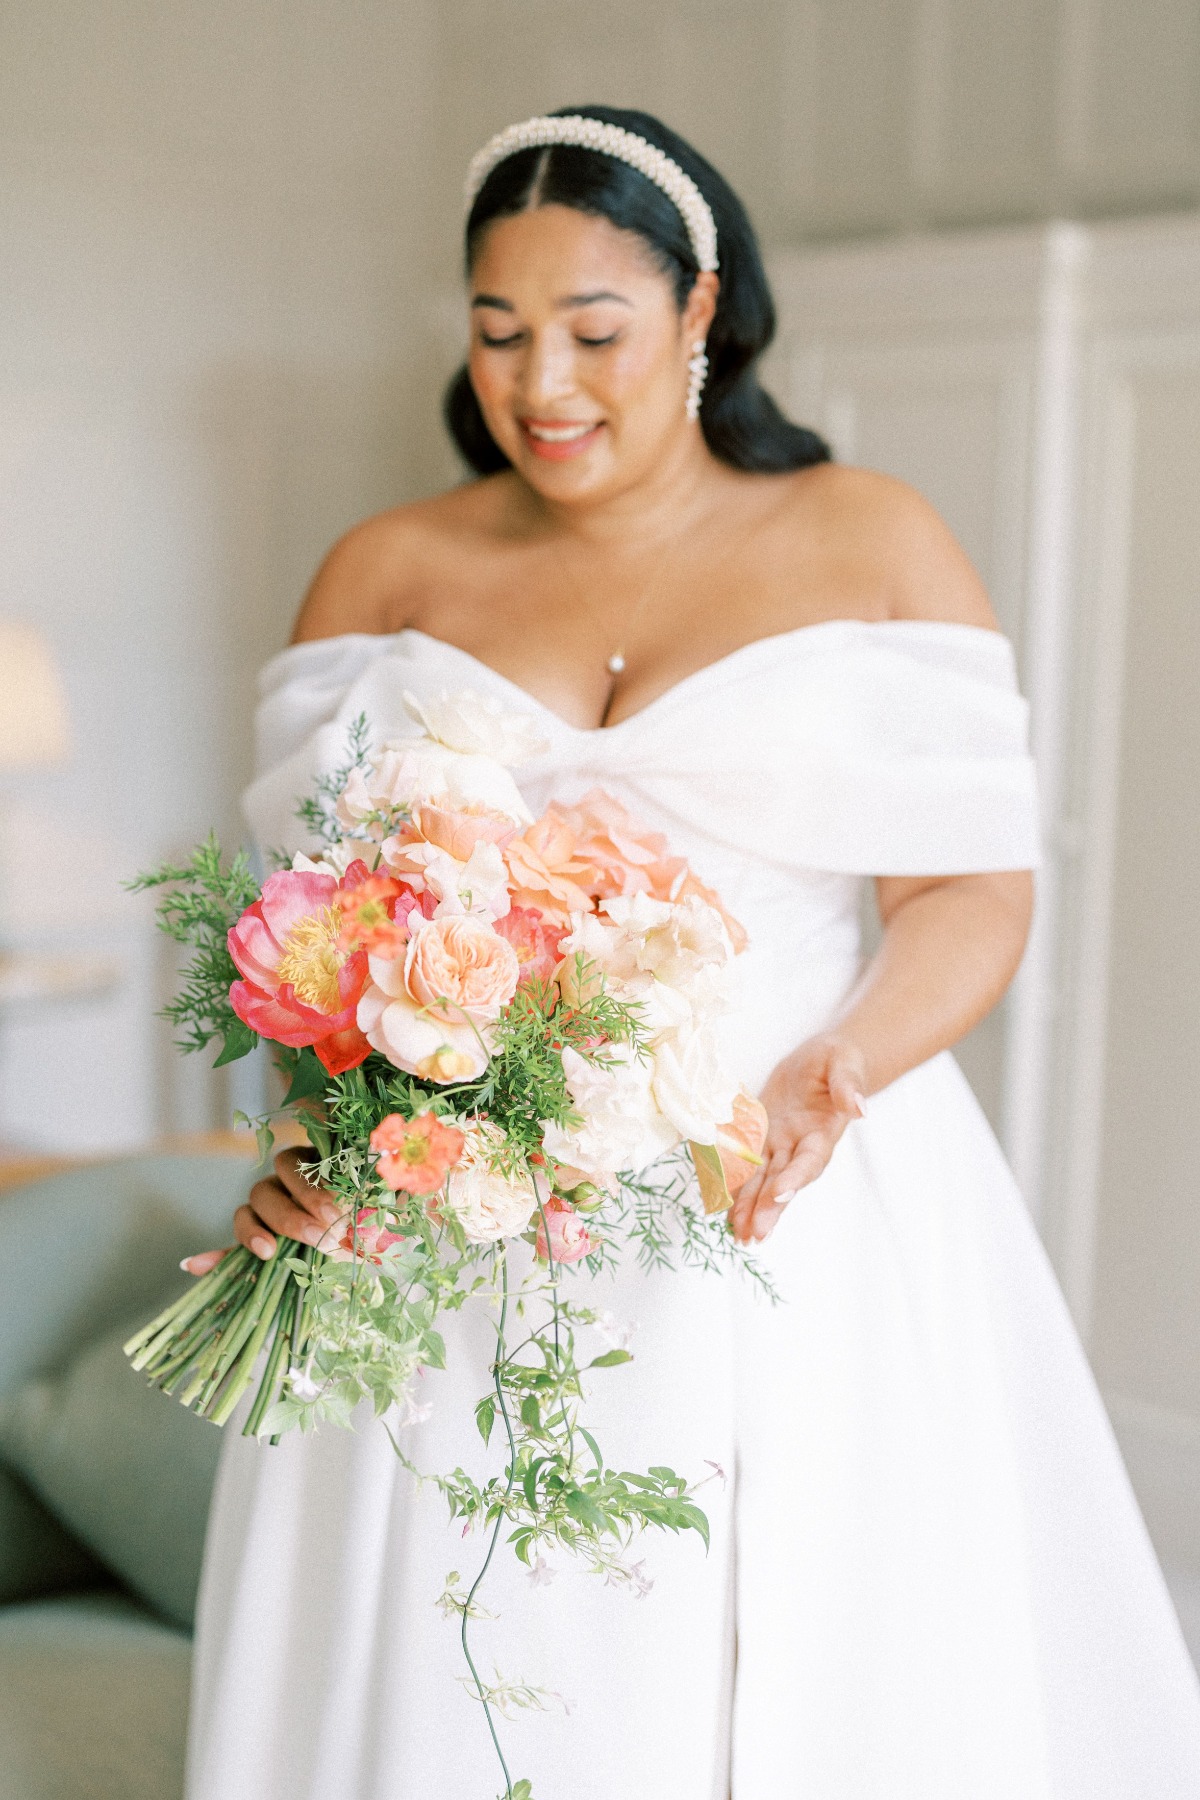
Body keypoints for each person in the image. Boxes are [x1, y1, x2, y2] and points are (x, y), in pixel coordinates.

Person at [184, 107, 1200, 1799]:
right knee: (459, 1654)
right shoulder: (384, 571)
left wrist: (843, 1064)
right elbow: (313, 942)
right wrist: (313, 1131)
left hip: (786, 1181)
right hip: (453, 1214)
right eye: (499, 335)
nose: (543, 386)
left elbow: (968, 891)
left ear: (701, 308)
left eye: (595, 332)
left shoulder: (870, 537)